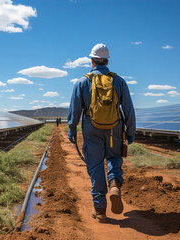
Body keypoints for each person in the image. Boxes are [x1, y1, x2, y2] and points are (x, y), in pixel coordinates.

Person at [67, 43, 136, 222]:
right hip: (115, 129)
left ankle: (100, 210)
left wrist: (72, 128)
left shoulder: (83, 82)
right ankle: (114, 184)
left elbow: (75, 110)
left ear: (92, 61)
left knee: (96, 166)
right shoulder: (118, 81)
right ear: (107, 60)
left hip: (92, 129)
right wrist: (130, 131)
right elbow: (128, 109)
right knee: (114, 158)